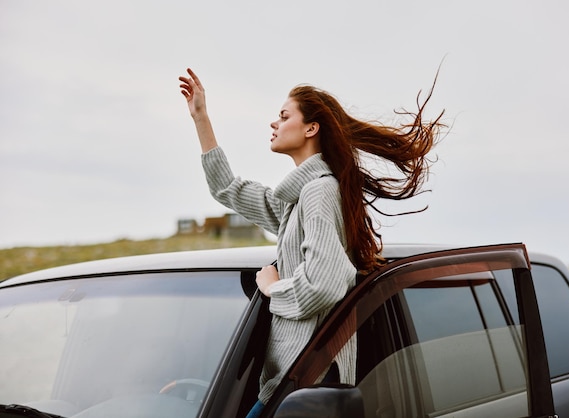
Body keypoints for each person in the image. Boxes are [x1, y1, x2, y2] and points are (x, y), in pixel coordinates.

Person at [178, 68, 444, 417]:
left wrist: (273, 289)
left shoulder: (319, 193)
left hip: (307, 385)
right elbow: (227, 188)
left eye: (284, 116)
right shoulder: (296, 202)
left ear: (311, 128)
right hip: (293, 384)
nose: (274, 123)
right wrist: (201, 116)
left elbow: (324, 283)